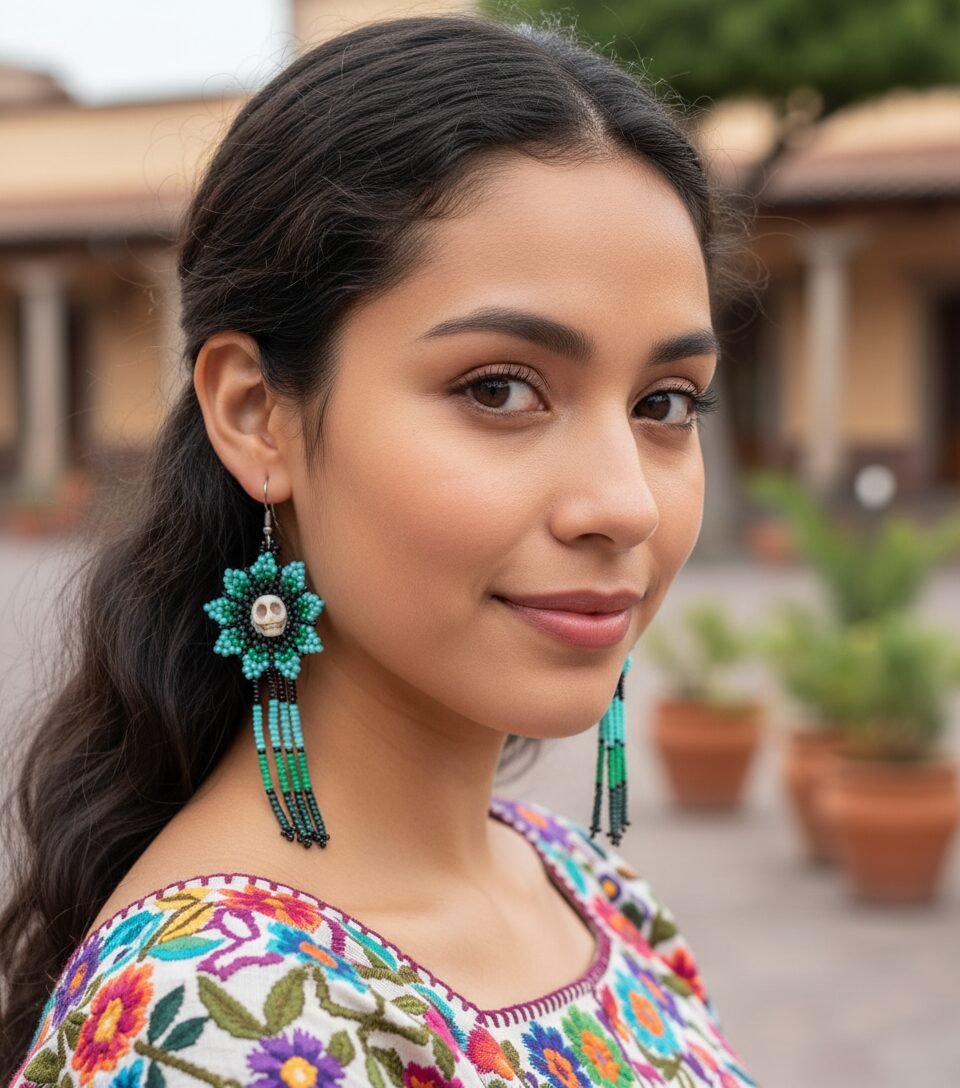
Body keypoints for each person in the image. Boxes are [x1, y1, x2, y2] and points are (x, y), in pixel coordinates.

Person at [1, 11, 758, 1087]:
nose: (624, 503)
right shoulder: (218, 1018)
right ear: (257, 412)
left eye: (666, 401)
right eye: (500, 388)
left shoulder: (587, 885)